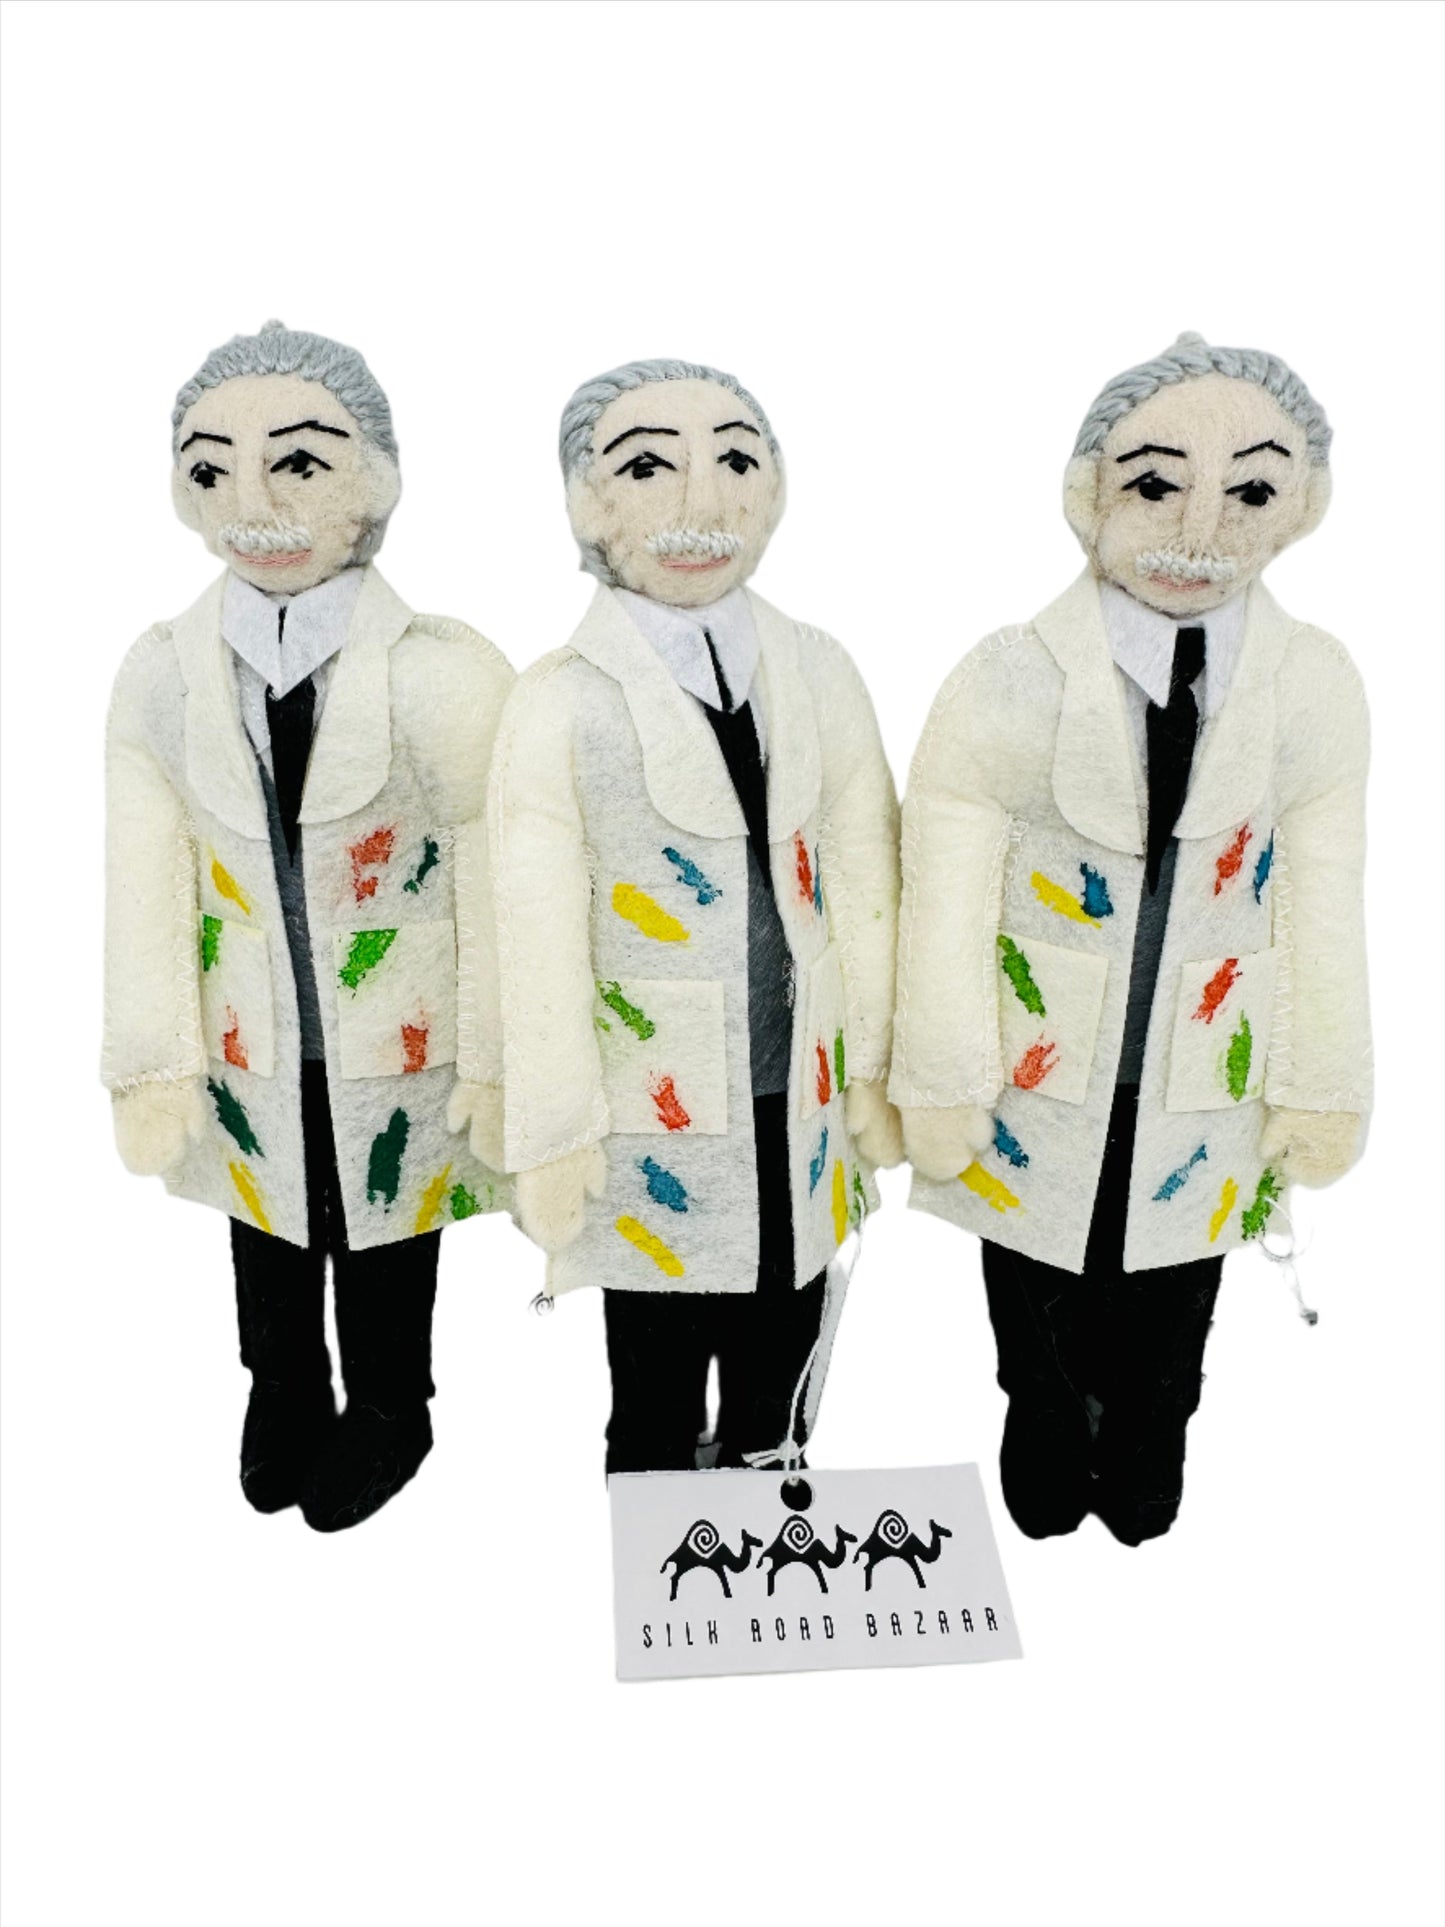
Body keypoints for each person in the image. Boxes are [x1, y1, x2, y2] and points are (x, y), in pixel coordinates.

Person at [891, 333, 1370, 1544]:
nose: (1198, 526)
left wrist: (1319, 1079)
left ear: (1299, 506)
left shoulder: (1312, 686)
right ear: (1087, 490)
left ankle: (1154, 1427)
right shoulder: (1005, 678)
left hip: (1208, 1062)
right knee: (1030, 1269)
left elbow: (1322, 894)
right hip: (1032, 1056)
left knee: (1176, 1280)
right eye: (1155, 483)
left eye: (1248, 491)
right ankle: (1043, 1415)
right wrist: (940, 1070)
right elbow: (944, 889)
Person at [453, 359, 900, 1473]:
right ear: (589, 499)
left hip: (798, 1077)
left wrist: (879, 1065)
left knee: (785, 1315)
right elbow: (532, 928)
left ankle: (766, 1469)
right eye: (649, 467)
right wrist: (553, 1127)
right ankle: (651, 1482)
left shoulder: (816, 667)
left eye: (734, 461)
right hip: (644, 1088)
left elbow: (864, 868)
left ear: (773, 487)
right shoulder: (560, 699)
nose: (702, 500)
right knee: (655, 1335)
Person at [104, 321, 513, 1530]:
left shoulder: (444, 673)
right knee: (265, 1210)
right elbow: (140, 870)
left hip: (400, 1021)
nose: (255, 502)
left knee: (386, 1210)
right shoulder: (162, 676)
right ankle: (280, 1381)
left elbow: (498, 865)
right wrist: (150, 1057)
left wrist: (500, 1054)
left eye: (298, 462)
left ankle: (392, 1399)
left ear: (370, 478)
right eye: (213, 467)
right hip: (246, 1024)